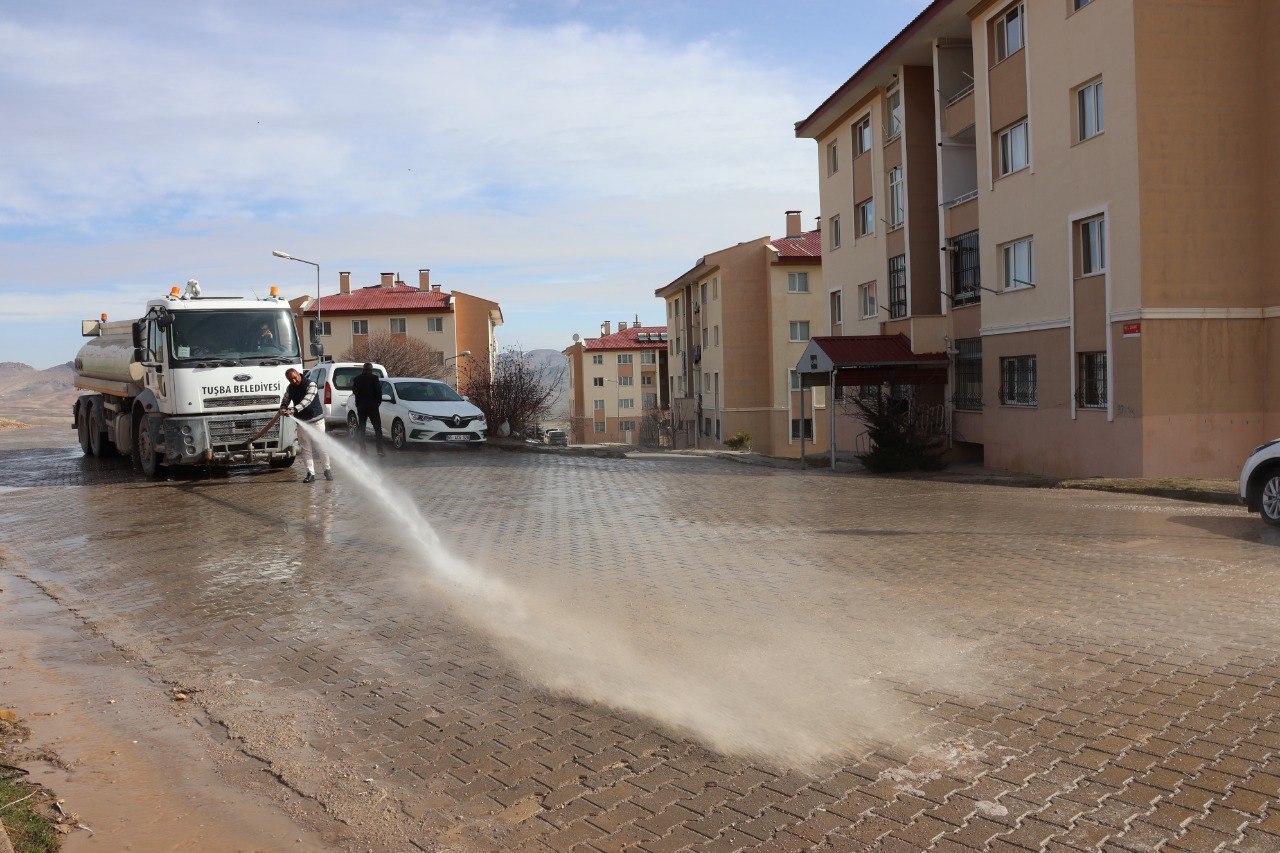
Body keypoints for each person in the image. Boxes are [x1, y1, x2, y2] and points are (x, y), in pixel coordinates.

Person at [280, 368, 331, 483]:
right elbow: (286, 398)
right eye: (290, 379)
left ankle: (327, 470)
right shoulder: (290, 388)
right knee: (305, 449)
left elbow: (306, 401)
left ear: (299, 374)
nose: (293, 381)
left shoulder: (311, 384)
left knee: (321, 447)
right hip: (302, 423)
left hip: (316, 421)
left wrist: (293, 409)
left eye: (294, 377)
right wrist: (283, 407)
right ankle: (310, 473)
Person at [350, 362, 386, 456]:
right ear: (371, 369)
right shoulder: (374, 378)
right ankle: (379, 450)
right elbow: (378, 392)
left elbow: (354, 391)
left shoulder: (357, 379)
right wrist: (378, 402)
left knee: (362, 427)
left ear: (363, 369)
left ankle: (362, 449)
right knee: (377, 428)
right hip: (373, 406)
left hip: (361, 406)